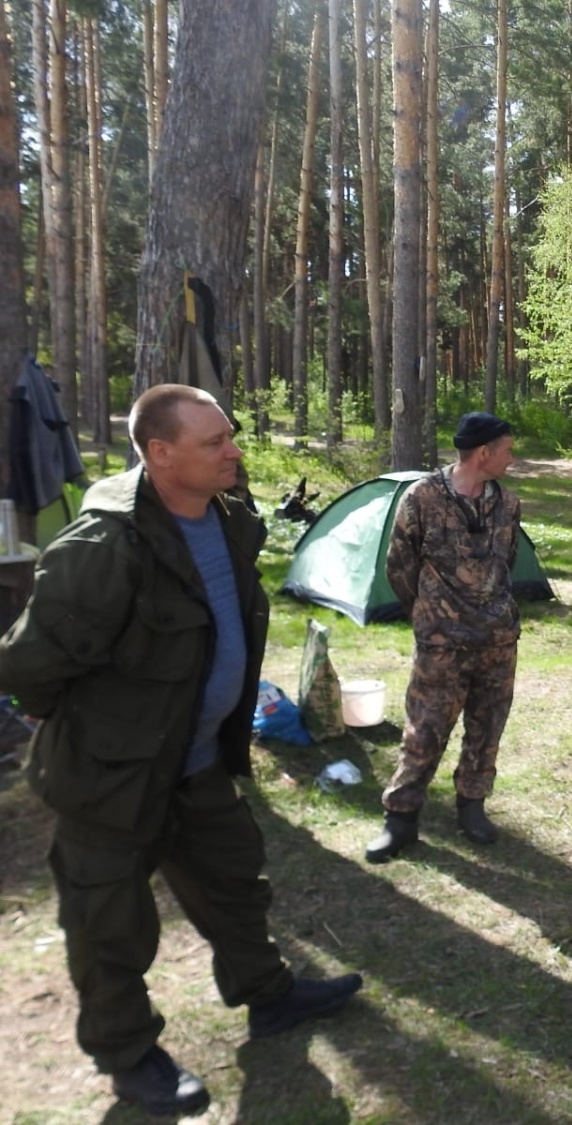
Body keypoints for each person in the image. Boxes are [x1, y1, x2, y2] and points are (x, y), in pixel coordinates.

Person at [0, 384, 362, 1117]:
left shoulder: (229, 517)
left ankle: (269, 995)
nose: (233, 451)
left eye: (229, 436)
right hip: (111, 778)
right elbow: (27, 666)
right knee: (109, 926)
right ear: (160, 453)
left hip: (195, 759)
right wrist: (80, 722)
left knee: (234, 881)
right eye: (214, 442)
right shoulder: (104, 547)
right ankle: (129, 1054)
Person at [365, 412, 524, 863]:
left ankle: (472, 807)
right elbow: (400, 566)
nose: (512, 459)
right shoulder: (423, 498)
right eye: (508, 450)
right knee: (424, 731)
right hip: (441, 643)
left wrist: (488, 608)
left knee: (487, 728)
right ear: (483, 453)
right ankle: (400, 820)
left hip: (497, 641)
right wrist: (433, 613)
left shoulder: (508, 505)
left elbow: (505, 564)